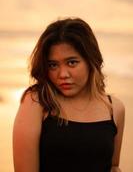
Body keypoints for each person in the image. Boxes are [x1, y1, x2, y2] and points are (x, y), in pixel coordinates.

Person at [13, 17, 125, 172]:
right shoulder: (37, 102)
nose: (62, 74)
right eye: (53, 65)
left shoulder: (114, 108)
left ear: (90, 60)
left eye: (72, 62)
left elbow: (113, 166)